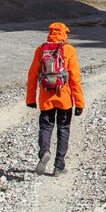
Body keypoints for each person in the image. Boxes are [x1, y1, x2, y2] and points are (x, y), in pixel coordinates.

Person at [26, 22, 84, 176]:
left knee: (46, 127)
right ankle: (59, 165)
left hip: (46, 97)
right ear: (64, 33)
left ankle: (44, 151)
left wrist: (30, 99)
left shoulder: (41, 49)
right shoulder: (69, 49)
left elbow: (32, 75)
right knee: (63, 129)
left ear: (50, 33)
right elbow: (75, 78)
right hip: (64, 97)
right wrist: (79, 103)